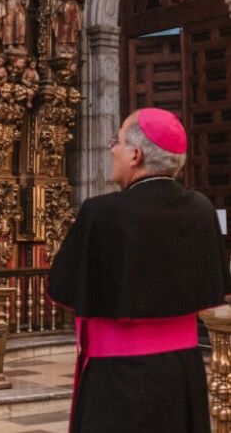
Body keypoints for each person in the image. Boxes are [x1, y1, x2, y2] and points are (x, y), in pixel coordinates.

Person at [49, 109, 231, 433]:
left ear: (135, 154)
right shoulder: (202, 209)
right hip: (182, 372)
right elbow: (215, 290)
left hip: (116, 377)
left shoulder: (101, 212)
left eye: (116, 141)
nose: (111, 149)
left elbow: (61, 293)